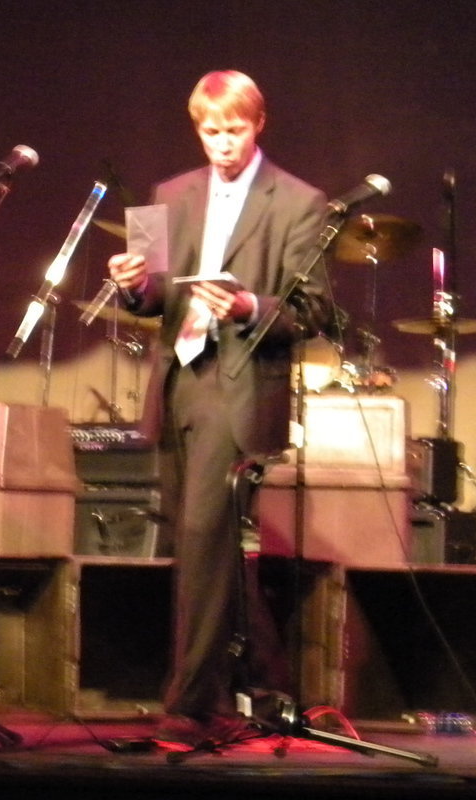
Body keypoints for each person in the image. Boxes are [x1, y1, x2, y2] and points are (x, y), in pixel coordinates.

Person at [107, 70, 334, 750]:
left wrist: (245, 305)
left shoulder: (299, 200)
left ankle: (190, 704)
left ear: (257, 124)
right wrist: (133, 284)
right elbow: (148, 301)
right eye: (210, 131)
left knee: (205, 545)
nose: (223, 144)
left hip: (237, 387)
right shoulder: (167, 195)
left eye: (234, 130)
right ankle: (268, 687)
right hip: (179, 380)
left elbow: (315, 311)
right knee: (200, 544)